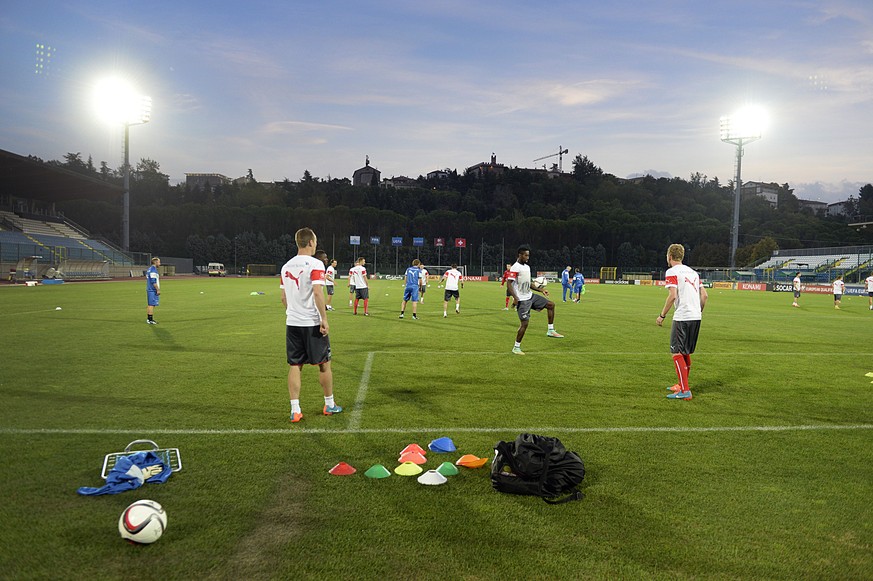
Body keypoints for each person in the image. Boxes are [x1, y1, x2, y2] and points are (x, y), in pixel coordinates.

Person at [279, 227, 342, 423]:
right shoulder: (315, 264)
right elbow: (317, 293)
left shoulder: (286, 266)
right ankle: (329, 404)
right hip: (312, 323)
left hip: (293, 323)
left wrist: (294, 312)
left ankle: (295, 409)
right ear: (311, 243)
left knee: (295, 365)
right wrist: (324, 318)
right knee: (324, 364)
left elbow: (283, 297)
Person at [656, 243, 708, 400]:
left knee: (676, 352)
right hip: (696, 316)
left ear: (669, 257)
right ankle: (681, 384)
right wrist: (698, 311)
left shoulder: (672, 271)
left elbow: (672, 296)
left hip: (683, 317)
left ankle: (685, 390)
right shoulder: (693, 272)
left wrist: (662, 315)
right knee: (685, 352)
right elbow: (704, 295)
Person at [506, 246, 563, 355]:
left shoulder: (527, 267)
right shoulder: (515, 267)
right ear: (520, 255)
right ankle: (516, 347)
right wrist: (516, 298)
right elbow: (509, 284)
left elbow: (529, 283)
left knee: (551, 305)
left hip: (530, 296)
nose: (527, 257)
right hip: (522, 300)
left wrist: (541, 290)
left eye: (528, 255)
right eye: (525, 255)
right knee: (525, 324)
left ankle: (550, 330)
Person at [146, 257, 161, 324]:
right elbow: (153, 281)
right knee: (151, 304)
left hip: (151, 289)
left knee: (152, 304)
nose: (160, 264)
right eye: (159, 262)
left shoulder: (150, 269)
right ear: (155, 262)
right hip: (152, 290)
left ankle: (149, 319)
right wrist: (157, 289)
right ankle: (150, 319)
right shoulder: (153, 270)